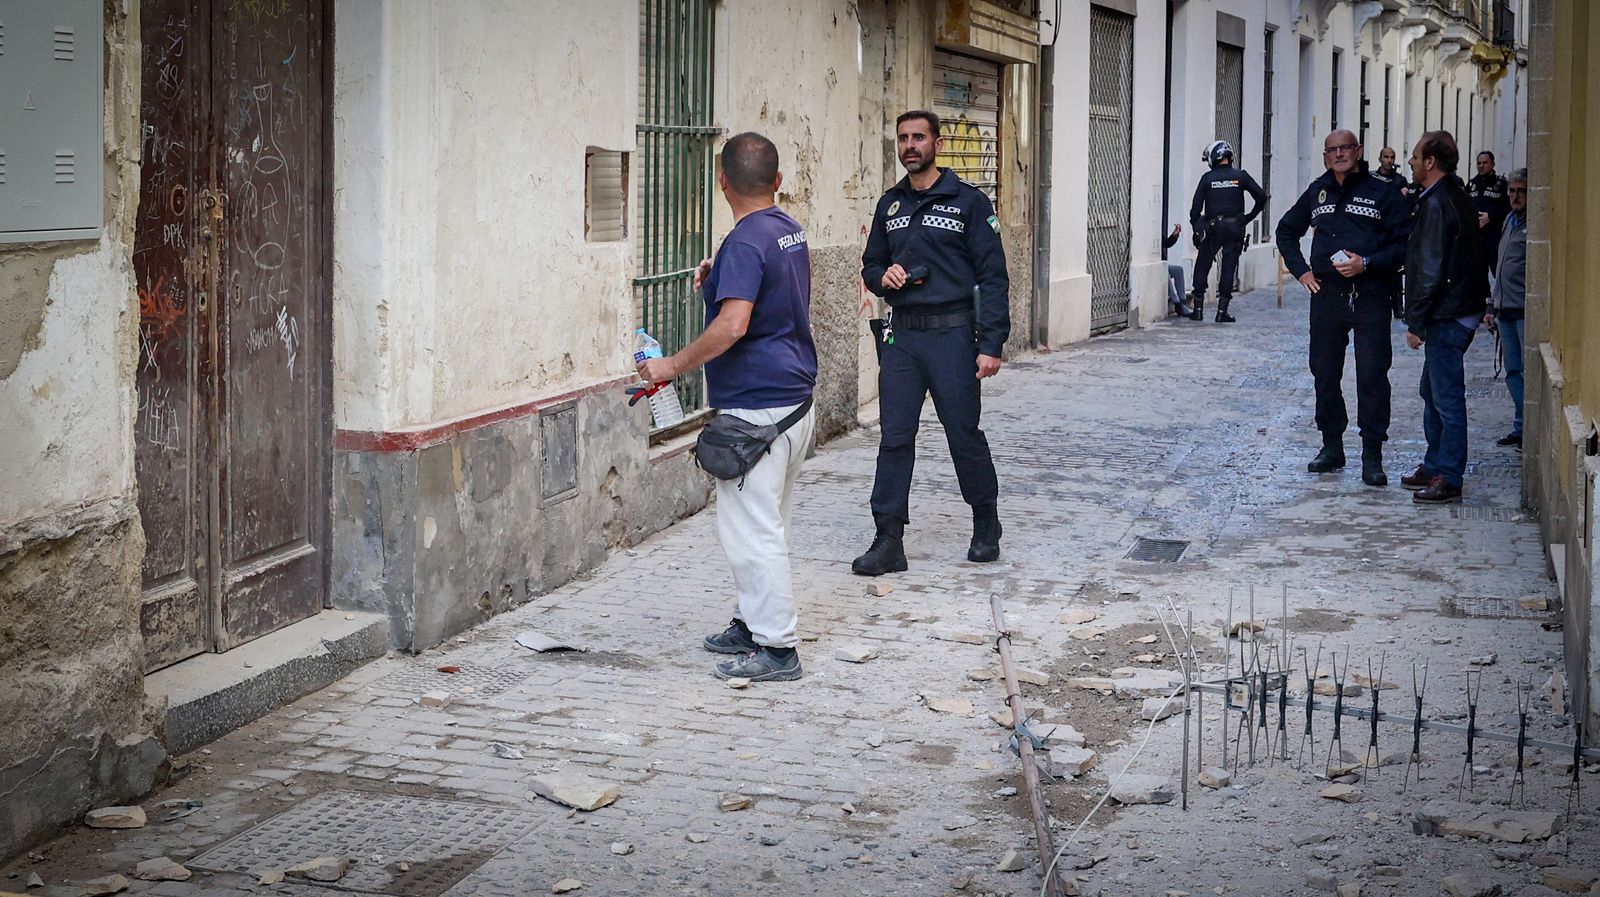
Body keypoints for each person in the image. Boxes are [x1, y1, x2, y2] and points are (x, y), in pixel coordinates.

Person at [636, 132, 818, 682]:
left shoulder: (744, 242)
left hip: (757, 411)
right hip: (794, 401)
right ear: (778, 181)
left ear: (721, 181)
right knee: (769, 523)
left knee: (751, 532)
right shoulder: (787, 230)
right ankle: (750, 622)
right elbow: (763, 289)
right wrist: (720, 277)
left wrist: (670, 367)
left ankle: (778, 650)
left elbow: (735, 324)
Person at [854, 109, 1009, 576]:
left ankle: (985, 523)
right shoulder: (890, 205)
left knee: (963, 434)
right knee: (895, 437)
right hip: (903, 336)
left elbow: (993, 275)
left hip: (953, 336)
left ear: (936, 144)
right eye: (903, 138)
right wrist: (884, 276)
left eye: (918, 137)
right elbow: (870, 265)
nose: (910, 145)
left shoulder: (968, 202)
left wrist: (993, 343)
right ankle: (888, 540)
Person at [1275, 129, 1412, 487]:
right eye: (1332, 150)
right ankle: (1331, 446)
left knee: (1371, 375)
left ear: (1359, 151)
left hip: (1370, 293)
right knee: (1324, 373)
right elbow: (1286, 231)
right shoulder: (1317, 191)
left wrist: (1366, 263)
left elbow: (1404, 245)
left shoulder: (1382, 192)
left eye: (1345, 148)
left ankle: (1372, 455)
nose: (1339, 154)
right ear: (1325, 155)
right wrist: (1301, 271)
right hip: (1327, 294)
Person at [1401, 131, 1490, 504]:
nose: (1410, 161)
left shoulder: (1438, 203)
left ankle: (1449, 475)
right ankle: (1434, 462)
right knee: (1431, 390)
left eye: (1415, 156)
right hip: (1459, 308)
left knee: (1446, 397)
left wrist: (1416, 322)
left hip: (1447, 313)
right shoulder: (1454, 193)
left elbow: (1430, 268)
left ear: (1430, 162)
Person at [1187, 140, 1268, 323]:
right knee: (1228, 267)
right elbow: (1262, 197)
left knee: (1202, 265)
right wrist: (1248, 217)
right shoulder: (1240, 176)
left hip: (1213, 227)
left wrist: (1197, 228)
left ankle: (1198, 310)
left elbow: (1195, 209)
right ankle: (1221, 312)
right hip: (1235, 227)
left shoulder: (1207, 178)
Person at [1486, 168, 1528, 448]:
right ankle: (1521, 426)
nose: (1515, 196)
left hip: (1524, 311)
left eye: (1521, 191)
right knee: (1512, 372)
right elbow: (1500, 267)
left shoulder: (1534, 224)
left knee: (1527, 371)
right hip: (1505, 310)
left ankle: (1529, 427)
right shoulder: (1509, 220)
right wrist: (1491, 304)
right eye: (1511, 191)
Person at [1468, 151, 1511, 276]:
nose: (1481, 166)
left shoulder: (1502, 185)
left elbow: (1509, 209)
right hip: (1476, 239)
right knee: (1476, 278)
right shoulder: (1472, 184)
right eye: (1479, 163)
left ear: (1493, 164)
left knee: (1498, 274)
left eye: (1485, 163)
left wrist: (1491, 217)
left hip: (1495, 238)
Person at [1164, 224, 1193, 318]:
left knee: (1178, 270)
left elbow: (1166, 243)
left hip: (1162, 264)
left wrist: (1174, 234)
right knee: (1165, 273)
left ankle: (1183, 301)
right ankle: (1177, 304)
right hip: (1156, 266)